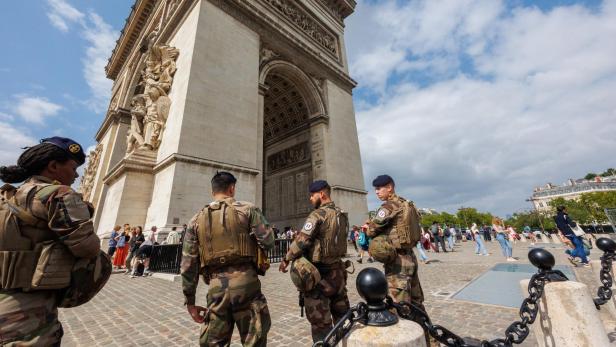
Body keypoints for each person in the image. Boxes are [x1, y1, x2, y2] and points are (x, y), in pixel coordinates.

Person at [0, 136, 111, 345]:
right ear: (53, 166)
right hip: (28, 310)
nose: (77, 174)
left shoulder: (6, 196)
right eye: (73, 166)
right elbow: (88, 248)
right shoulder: (57, 195)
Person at [180, 171, 274, 346]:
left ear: (212, 191)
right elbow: (268, 241)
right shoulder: (248, 210)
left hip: (216, 288)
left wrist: (190, 302)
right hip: (247, 283)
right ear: (232, 189)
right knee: (254, 339)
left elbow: (187, 265)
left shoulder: (195, 220)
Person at [278, 180, 350, 343]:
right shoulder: (342, 214)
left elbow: (302, 240)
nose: (310, 199)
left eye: (312, 195)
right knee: (343, 318)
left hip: (319, 277)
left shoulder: (318, 215)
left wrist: (286, 259)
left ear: (322, 194)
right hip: (338, 273)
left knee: (321, 325)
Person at [366, 175, 428, 342]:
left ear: (390, 188)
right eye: (375, 189)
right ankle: (429, 341)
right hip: (411, 258)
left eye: (380, 188)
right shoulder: (407, 204)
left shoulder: (389, 206)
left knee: (398, 307)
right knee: (417, 305)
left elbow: (371, 230)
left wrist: (368, 227)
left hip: (398, 262)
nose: (377, 192)